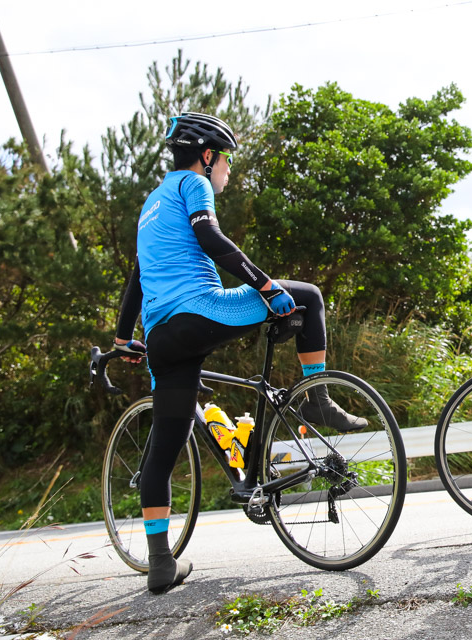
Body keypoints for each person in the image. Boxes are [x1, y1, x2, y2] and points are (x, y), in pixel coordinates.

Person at [111, 111, 365, 594]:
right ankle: (317, 397)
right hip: (201, 310)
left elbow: (136, 281)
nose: (227, 169)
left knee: (164, 449)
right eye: (226, 159)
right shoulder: (193, 184)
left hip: (162, 337)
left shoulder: (150, 204)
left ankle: (161, 564)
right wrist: (266, 285)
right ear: (208, 156)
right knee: (307, 296)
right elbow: (209, 237)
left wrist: (123, 340)